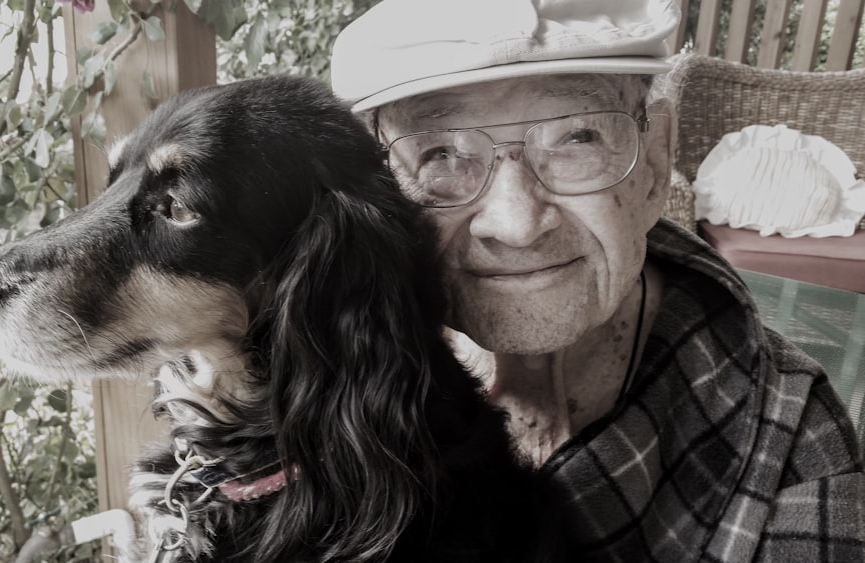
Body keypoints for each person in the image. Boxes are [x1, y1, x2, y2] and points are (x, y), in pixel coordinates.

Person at [330, 0, 865, 560]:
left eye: (577, 138)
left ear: (655, 162)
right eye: (440, 152)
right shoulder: (331, 377)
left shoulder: (792, 440)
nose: (517, 225)